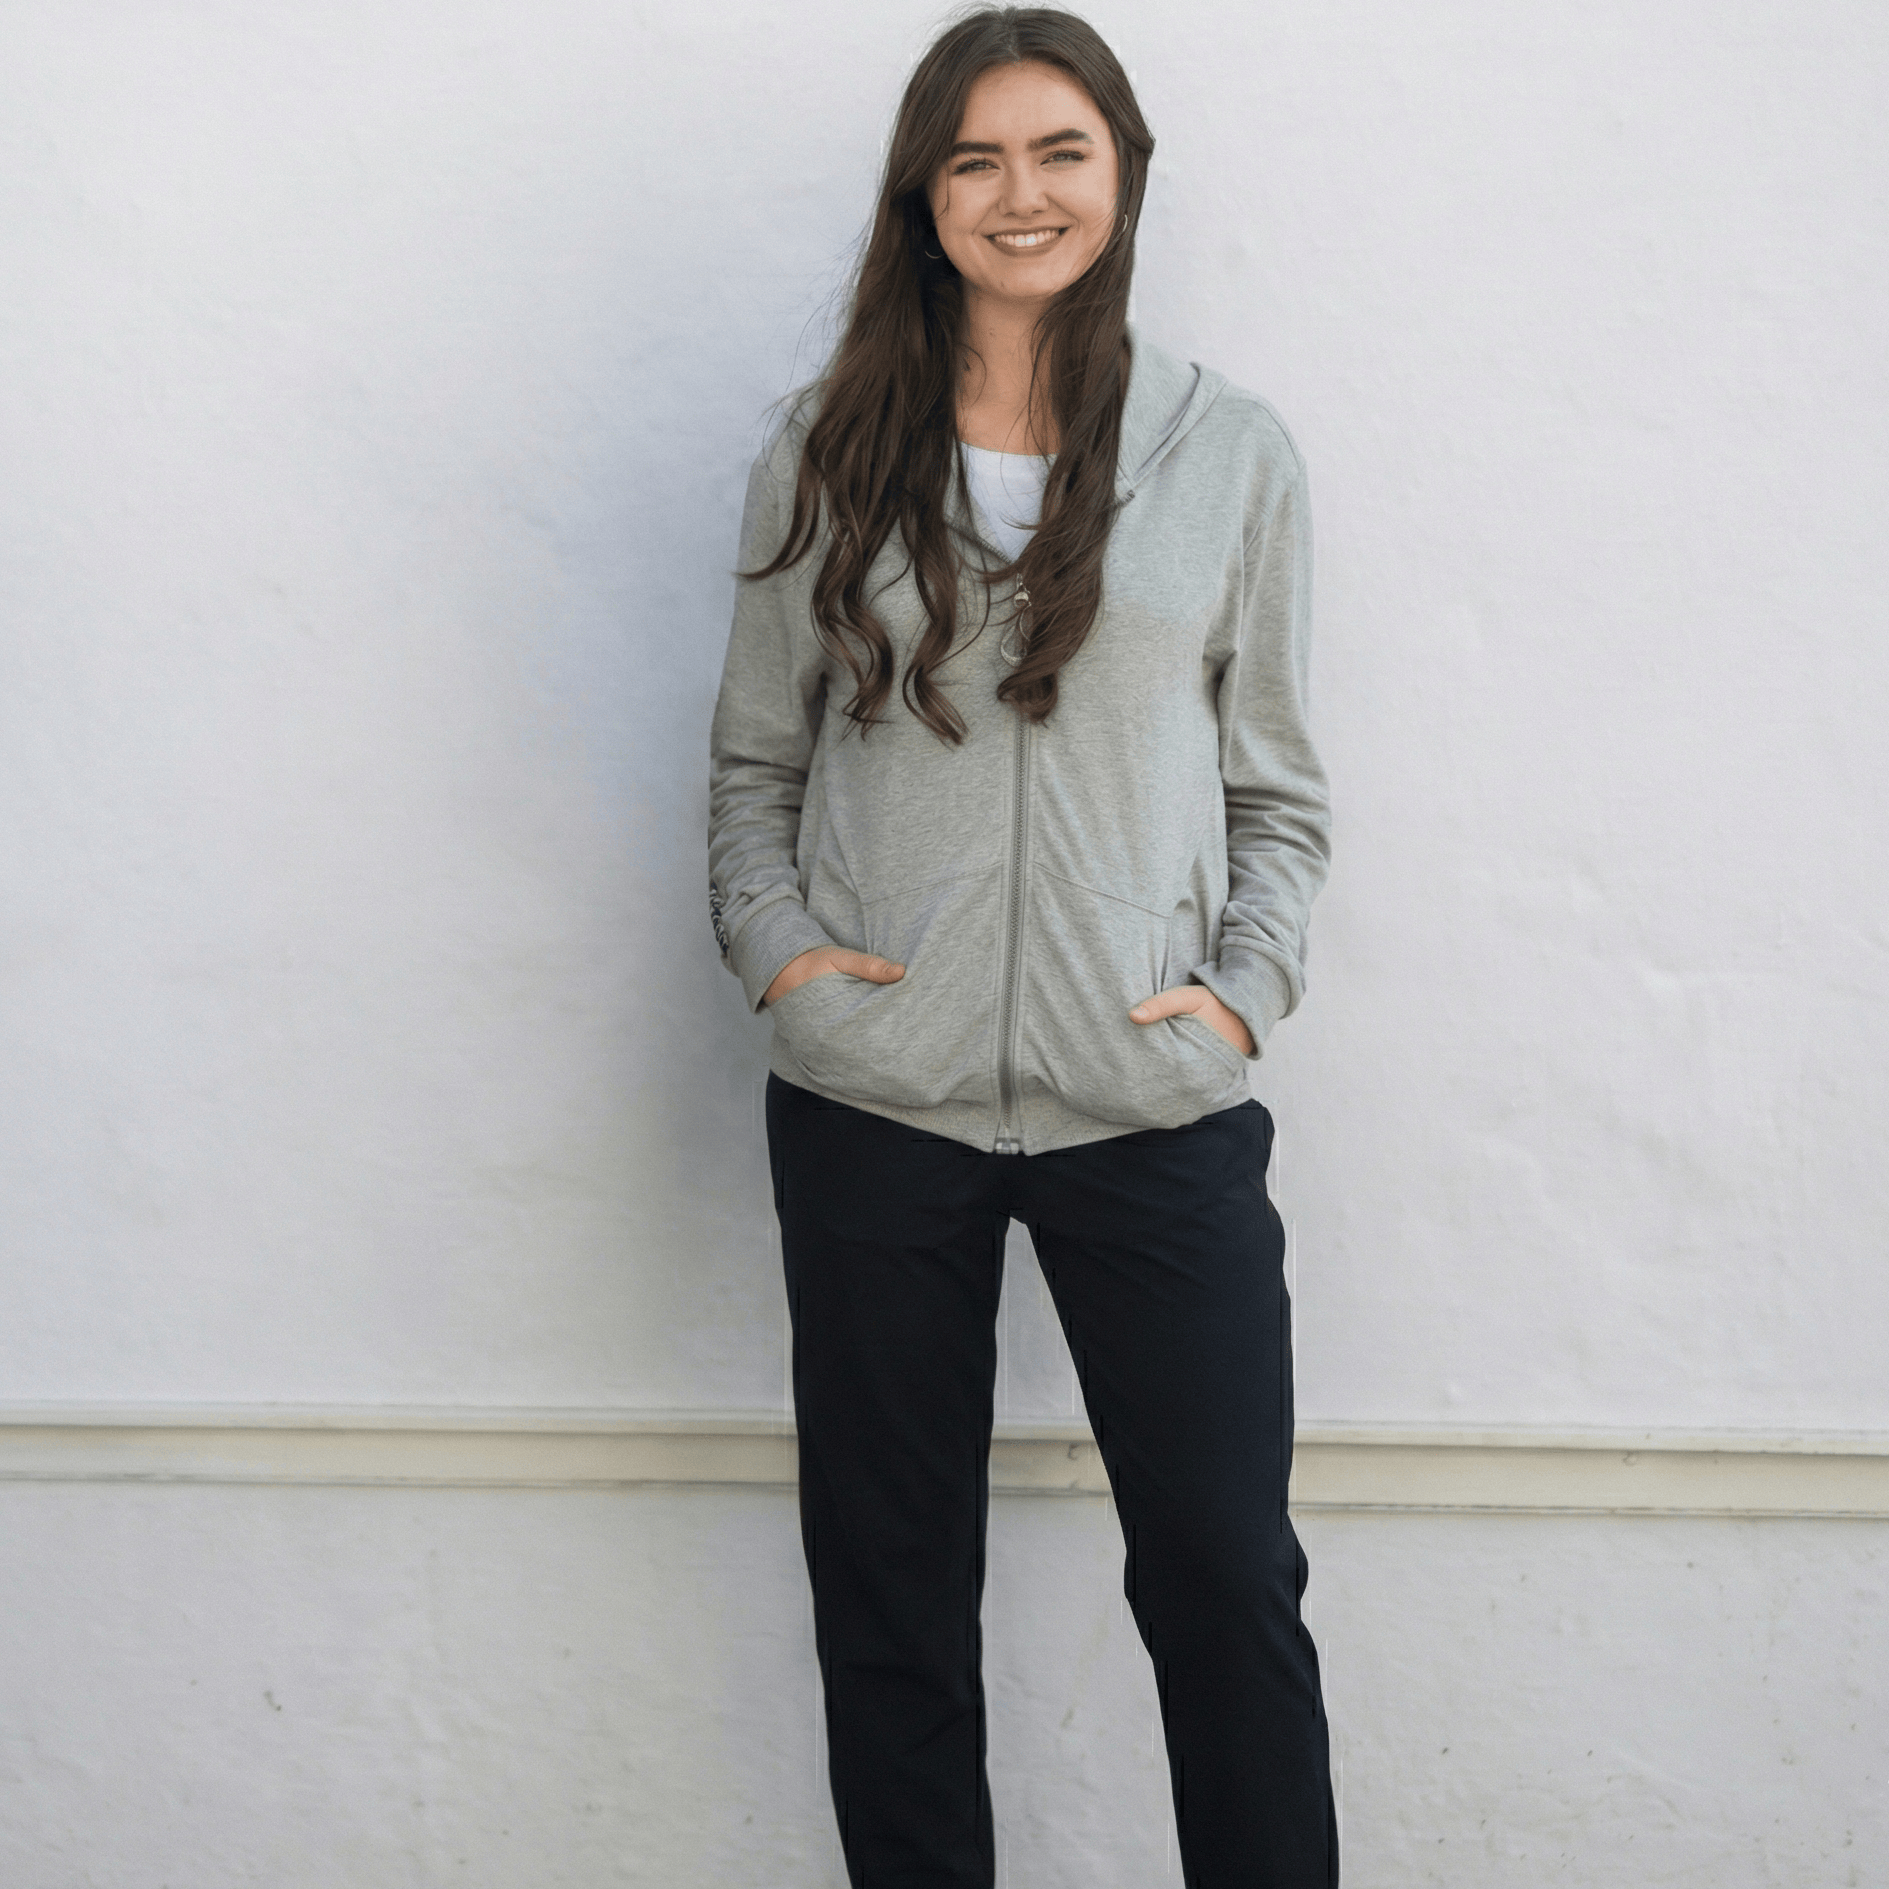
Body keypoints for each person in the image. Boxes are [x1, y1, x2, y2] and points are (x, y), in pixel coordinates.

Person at [706, 8, 1337, 1883]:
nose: (1021, 194)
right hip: (874, 1110)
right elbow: (753, 765)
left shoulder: (1234, 456)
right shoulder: (825, 449)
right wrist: (786, 958)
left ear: (1123, 172)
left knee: (1227, 1584)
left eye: (1062, 151)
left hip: (1150, 1103)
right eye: (975, 159)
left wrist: (1237, 1001)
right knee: (891, 1601)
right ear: (925, 195)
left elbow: (1280, 789)